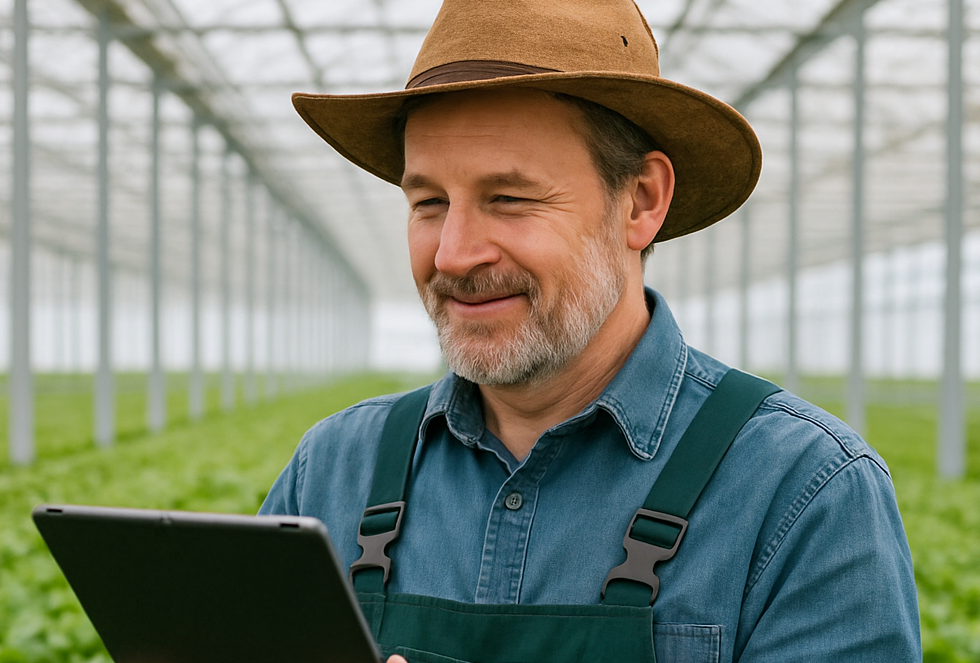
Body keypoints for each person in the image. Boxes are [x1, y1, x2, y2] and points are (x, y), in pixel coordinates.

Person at [261, 0, 922, 661]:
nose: (453, 255)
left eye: (509, 198)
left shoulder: (801, 492)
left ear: (640, 201)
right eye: (429, 202)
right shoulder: (330, 474)